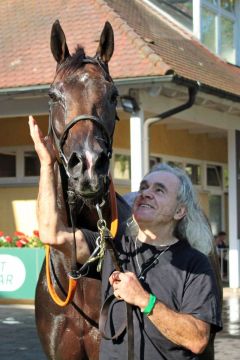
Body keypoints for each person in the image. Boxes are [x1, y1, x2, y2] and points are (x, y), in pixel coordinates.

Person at [29, 116, 222, 360]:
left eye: (159, 190)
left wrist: (144, 300)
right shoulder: (113, 246)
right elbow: (50, 233)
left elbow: (197, 339)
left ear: (179, 211)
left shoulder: (195, 265)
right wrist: (47, 165)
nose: (145, 194)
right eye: (144, 187)